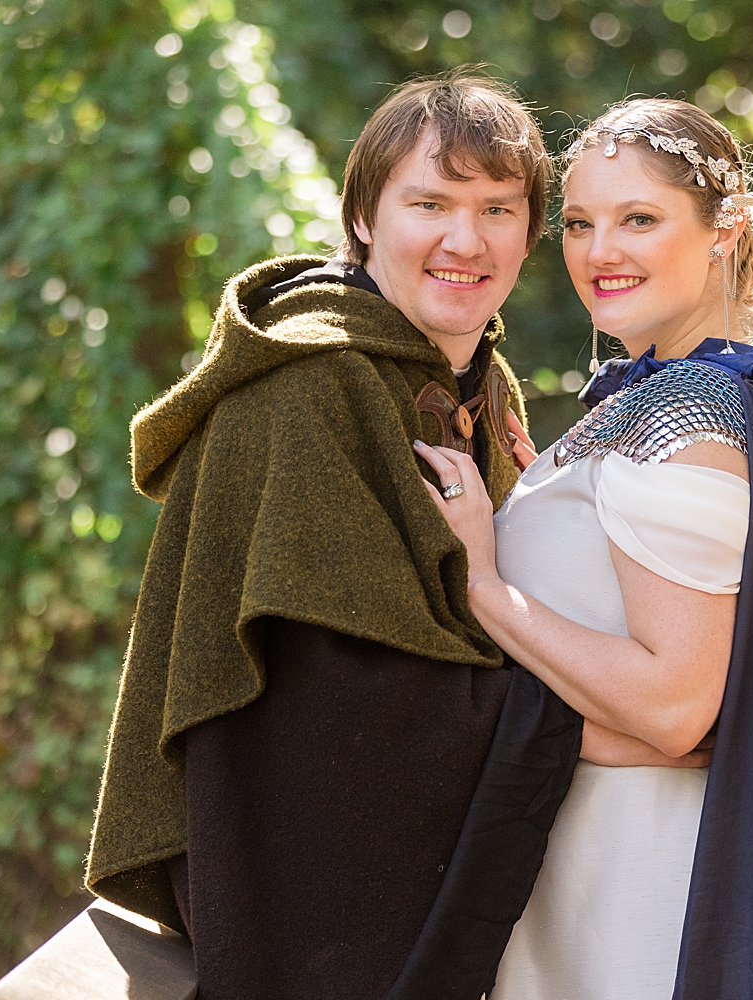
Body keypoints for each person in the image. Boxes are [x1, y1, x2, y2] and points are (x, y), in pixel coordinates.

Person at [84, 74, 586, 1000]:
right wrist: (595, 710)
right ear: (363, 216)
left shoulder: (485, 384)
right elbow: (339, 706)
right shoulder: (303, 387)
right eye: (429, 203)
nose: (464, 240)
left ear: (529, 232)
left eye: (497, 209)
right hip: (303, 881)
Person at [416, 98, 753, 1000]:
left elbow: (674, 707)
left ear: (724, 233)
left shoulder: (689, 413)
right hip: (586, 856)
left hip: (638, 883)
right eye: (579, 223)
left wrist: (486, 584)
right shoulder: (669, 402)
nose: (599, 251)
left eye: (639, 219)